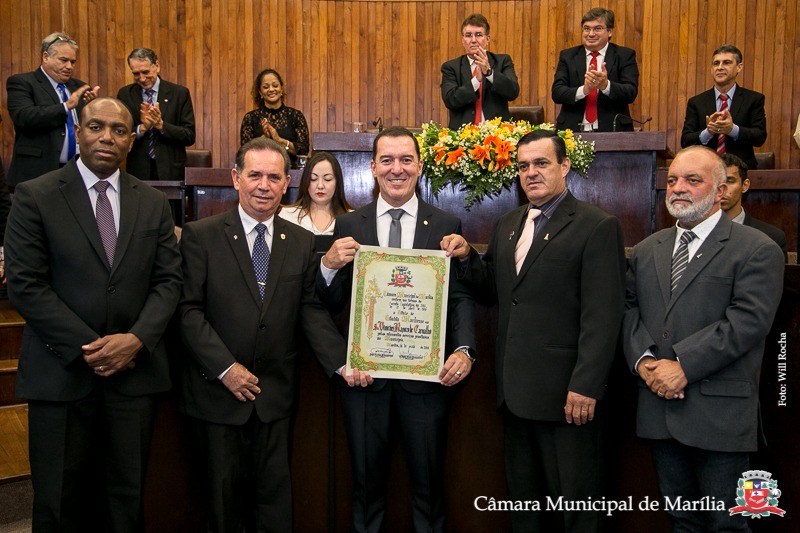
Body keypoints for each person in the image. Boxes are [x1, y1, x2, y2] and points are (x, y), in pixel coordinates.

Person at [4, 97, 182, 531]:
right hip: (62, 373)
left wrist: (136, 339)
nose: (107, 137)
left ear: (131, 138)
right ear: (78, 131)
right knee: (60, 501)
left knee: (126, 499)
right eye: (96, 127)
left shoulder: (153, 203)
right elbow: (26, 285)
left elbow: (169, 282)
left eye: (119, 130)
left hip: (133, 376)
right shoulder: (35, 195)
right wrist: (90, 347)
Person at [442, 129, 625, 532]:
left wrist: (587, 385)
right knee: (526, 514)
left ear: (564, 166)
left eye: (541, 163)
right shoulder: (508, 223)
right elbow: (496, 291)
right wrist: (468, 257)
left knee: (576, 514)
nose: (531, 173)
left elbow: (604, 315)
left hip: (568, 400)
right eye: (523, 166)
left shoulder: (596, 226)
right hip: (515, 395)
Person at [179, 138, 365, 532]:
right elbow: (187, 311)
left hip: (274, 397)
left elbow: (309, 307)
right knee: (223, 507)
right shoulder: (202, 235)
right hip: (217, 396)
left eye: (274, 177)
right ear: (236, 178)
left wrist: (343, 362)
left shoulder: (298, 240)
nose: (264, 185)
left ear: (286, 184)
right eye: (255, 175)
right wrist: (225, 368)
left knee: (274, 506)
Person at [317, 126, 476, 532]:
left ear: (419, 166)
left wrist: (464, 349)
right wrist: (328, 266)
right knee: (366, 490)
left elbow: (456, 297)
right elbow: (332, 303)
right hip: (364, 381)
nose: (397, 169)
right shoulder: (349, 224)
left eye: (406, 159)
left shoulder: (445, 221)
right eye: (387, 160)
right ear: (372, 167)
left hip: (425, 381)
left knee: (429, 489)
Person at [623, 146, 784, 532]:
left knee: (727, 525)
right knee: (682, 522)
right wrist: (645, 363)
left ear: (721, 189)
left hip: (719, 414)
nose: (679, 188)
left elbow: (748, 322)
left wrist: (683, 366)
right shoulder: (647, 250)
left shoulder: (756, 249)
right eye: (673, 180)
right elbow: (628, 311)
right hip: (659, 409)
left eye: (693, 180)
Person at [6, 32, 99, 186]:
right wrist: (65, 107)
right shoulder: (22, 82)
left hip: (76, 172)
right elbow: (24, 116)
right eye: (63, 60)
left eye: (73, 62)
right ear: (45, 57)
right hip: (37, 172)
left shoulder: (79, 87)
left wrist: (93, 108)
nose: (69, 66)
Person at [551, 7, 639, 132]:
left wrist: (606, 85)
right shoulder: (568, 56)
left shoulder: (624, 55)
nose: (591, 34)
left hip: (613, 131)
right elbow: (557, 93)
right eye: (587, 28)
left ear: (609, 32)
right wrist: (584, 90)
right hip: (572, 131)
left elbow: (630, 92)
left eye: (597, 28)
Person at [681, 44, 767, 170]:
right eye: (716, 63)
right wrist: (708, 132)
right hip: (705, 170)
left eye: (726, 63)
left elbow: (759, 137)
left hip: (740, 170)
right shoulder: (696, 102)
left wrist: (732, 129)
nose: (720, 67)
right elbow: (685, 141)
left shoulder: (753, 99)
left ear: (739, 67)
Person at [116, 48, 196, 181]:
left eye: (146, 72)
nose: (142, 78)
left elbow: (189, 136)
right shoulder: (125, 95)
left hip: (170, 172)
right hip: (137, 172)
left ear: (157, 66)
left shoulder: (179, 94)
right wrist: (142, 128)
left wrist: (161, 125)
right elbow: (119, 133)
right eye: (136, 74)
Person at [440, 13, 520, 129]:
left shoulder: (502, 61)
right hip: (463, 136)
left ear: (487, 39)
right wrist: (476, 81)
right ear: (463, 40)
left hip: (498, 135)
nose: (473, 40)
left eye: (478, 35)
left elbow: (513, 92)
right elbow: (450, 100)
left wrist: (489, 73)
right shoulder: (451, 67)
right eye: (468, 35)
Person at [720, 153, 787, 260]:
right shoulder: (690, 231)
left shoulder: (771, 237)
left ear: (745, 186)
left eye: (729, 181)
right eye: (716, 181)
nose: (722, 188)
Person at [240, 68, 309, 168]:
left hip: (290, 174)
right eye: (266, 87)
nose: (271, 89)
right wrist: (264, 139)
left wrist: (279, 140)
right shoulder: (250, 118)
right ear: (260, 92)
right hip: (259, 173)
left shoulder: (295, 116)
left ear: (281, 89)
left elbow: (303, 150)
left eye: (275, 85)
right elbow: (244, 153)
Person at [278, 151, 352, 235]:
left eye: (327, 179)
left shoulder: (353, 219)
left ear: (337, 182)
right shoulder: (287, 216)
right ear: (306, 181)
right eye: (313, 179)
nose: (320, 186)